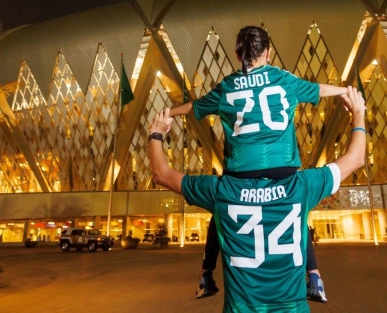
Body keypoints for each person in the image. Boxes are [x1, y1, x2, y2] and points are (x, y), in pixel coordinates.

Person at [169, 26, 347, 302]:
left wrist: (169, 113)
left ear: (237, 53)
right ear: (268, 52)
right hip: (282, 167)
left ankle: (206, 274)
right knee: (298, 213)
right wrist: (344, 92)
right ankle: (313, 276)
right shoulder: (282, 79)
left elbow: (196, 107)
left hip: (241, 169)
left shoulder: (227, 85)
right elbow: (317, 90)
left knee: (220, 214)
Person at [149, 87, 365, 312]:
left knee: (218, 220)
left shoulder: (223, 191)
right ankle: (315, 276)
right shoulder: (300, 186)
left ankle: (206, 273)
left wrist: (156, 134)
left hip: (242, 307)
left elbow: (161, 174)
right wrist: (358, 113)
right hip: (292, 307)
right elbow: (356, 158)